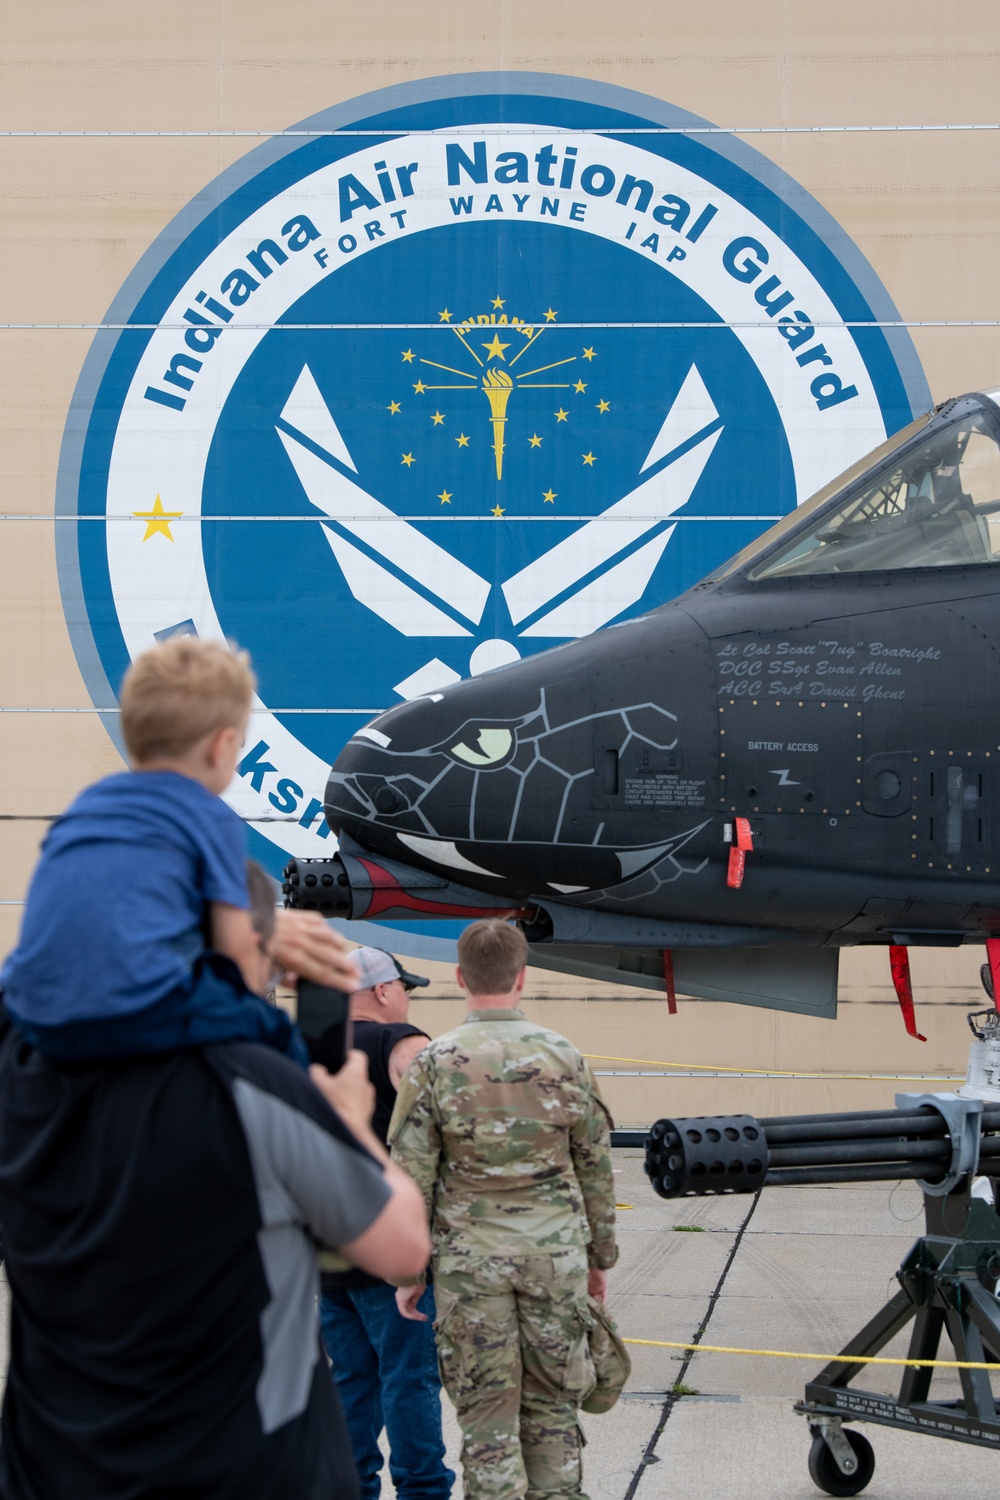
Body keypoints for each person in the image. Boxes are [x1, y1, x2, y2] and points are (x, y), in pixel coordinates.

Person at [0, 863, 430, 1500]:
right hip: (233, 1454)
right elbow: (401, 1245)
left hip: (62, 1455)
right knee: (393, 1378)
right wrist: (347, 1121)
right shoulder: (252, 1084)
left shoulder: (29, 1078)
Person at [0, 636, 357, 1062]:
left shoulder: (87, 806)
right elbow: (234, 952)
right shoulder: (207, 816)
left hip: (36, 1011)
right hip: (137, 1011)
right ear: (221, 747)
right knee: (268, 1027)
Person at [390, 920, 618, 1500]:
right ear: (523, 977)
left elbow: (410, 1177)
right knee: (552, 1415)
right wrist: (599, 1258)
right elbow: (594, 1165)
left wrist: (409, 1274)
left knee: (487, 1422)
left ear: (461, 977)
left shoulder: (433, 1064)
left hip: (470, 1266)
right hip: (554, 1258)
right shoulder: (564, 1057)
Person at [319, 947, 455, 1500]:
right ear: (381, 990)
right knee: (409, 1379)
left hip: (325, 1246)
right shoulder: (401, 1042)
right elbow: (452, 1123)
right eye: (404, 988)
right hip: (390, 1250)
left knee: (351, 1380)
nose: (406, 999)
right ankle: (423, 1491)